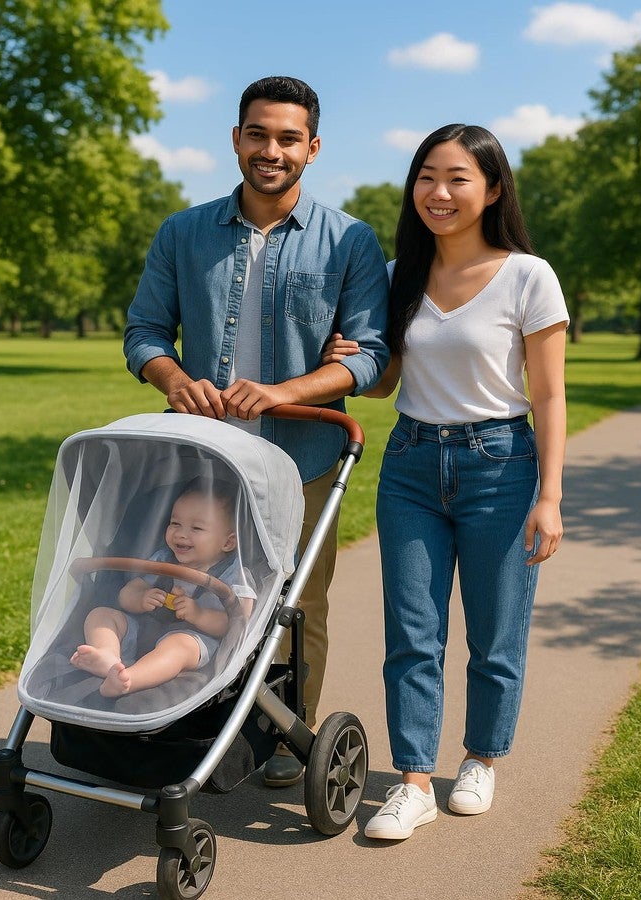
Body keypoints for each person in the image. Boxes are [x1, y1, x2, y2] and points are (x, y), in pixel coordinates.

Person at [123, 76, 389, 783]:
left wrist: (284, 392)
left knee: (297, 605)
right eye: (259, 134)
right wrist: (175, 381)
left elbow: (370, 353)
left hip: (303, 459)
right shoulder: (181, 233)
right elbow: (145, 331)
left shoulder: (350, 242)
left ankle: (284, 734)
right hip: (204, 463)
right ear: (237, 138)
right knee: (190, 586)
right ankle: (187, 717)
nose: (272, 150)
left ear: (313, 148)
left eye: (288, 138)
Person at [323, 124, 568, 839]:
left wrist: (550, 496)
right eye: (427, 176)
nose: (439, 191)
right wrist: (354, 362)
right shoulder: (401, 272)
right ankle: (413, 781)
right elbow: (392, 379)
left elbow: (549, 395)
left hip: (502, 466)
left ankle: (481, 759)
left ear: (492, 189)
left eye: (458, 177)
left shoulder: (530, 274)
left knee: (495, 634)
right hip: (410, 468)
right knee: (412, 632)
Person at [70, 484, 256, 697]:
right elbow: (127, 592)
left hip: (194, 639)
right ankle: (108, 657)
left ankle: (130, 679)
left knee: (179, 646)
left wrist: (199, 614)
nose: (181, 534)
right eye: (175, 523)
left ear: (228, 542)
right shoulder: (163, 558)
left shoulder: (235, 575)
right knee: (100, 614)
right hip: (143, 629)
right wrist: (140, 598)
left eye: (196, 528)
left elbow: (237, 622)